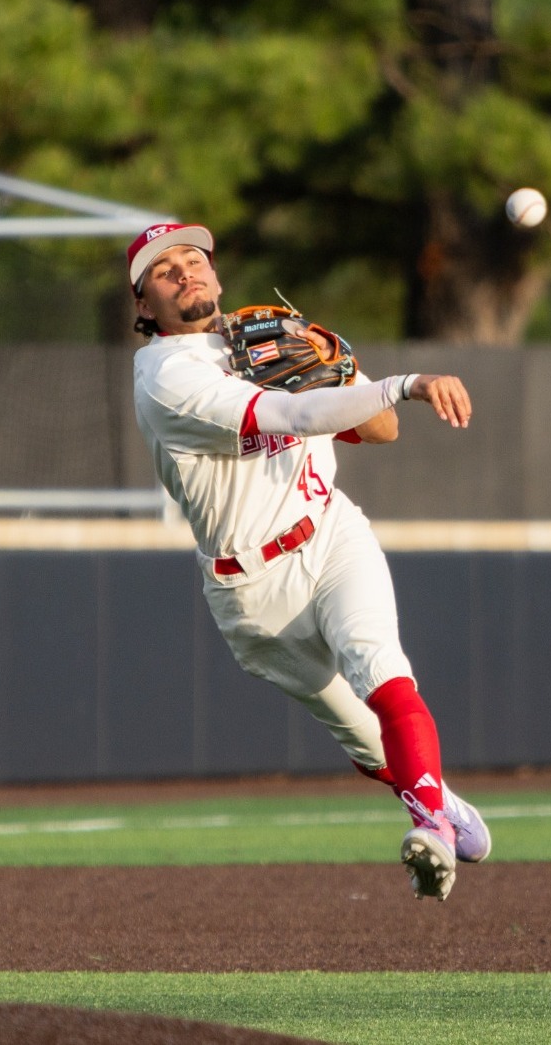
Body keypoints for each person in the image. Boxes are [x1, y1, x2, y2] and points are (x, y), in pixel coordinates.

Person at [127, 222, 490, 901]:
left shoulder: (255, 338)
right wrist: (406, 379)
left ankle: (432, 828)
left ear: (217, 274)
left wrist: (344, 364)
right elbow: (290, 414)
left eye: (193, 258)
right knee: (367, 739)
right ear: (144, 305)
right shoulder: (168, 377)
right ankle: (434, 794)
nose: (184, 272)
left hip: (329, 531)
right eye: (163, 270)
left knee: (384, 673)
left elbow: (381, 429)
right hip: (255, 593)